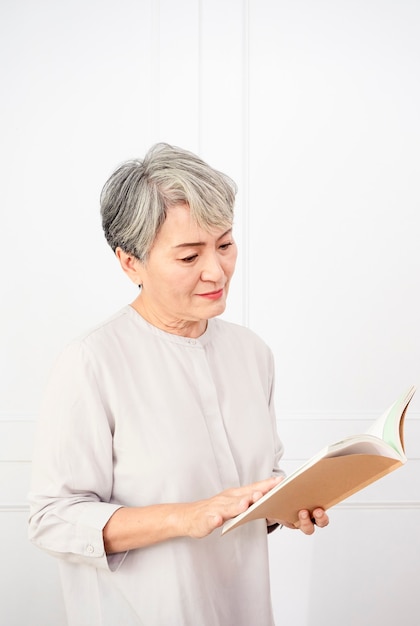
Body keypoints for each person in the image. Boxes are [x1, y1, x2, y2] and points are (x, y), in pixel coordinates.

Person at [28, 143, 329, 626]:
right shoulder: (92, 362)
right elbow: (52, 518)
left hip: (244, 610)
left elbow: (252, 486)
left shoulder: (251, 354)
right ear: (130, 263)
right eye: (189, 256)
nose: (217, 271)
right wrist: (183, 517)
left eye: (226, 245)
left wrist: (282, 507)